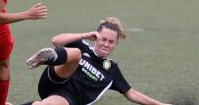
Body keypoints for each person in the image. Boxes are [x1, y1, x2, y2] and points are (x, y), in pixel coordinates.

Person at [21, 17, 171, 105]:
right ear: (96, 37)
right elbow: (56, 40)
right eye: (103, 39)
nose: (106, 44)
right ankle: (47, 58)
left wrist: (160, 104)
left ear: (116, 44)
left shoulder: (112, 70)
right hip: (55, 78)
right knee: (76, 53)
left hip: (67, 97)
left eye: (111, 42)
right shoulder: (82, 45)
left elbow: (131, 93)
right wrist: (84, 35)